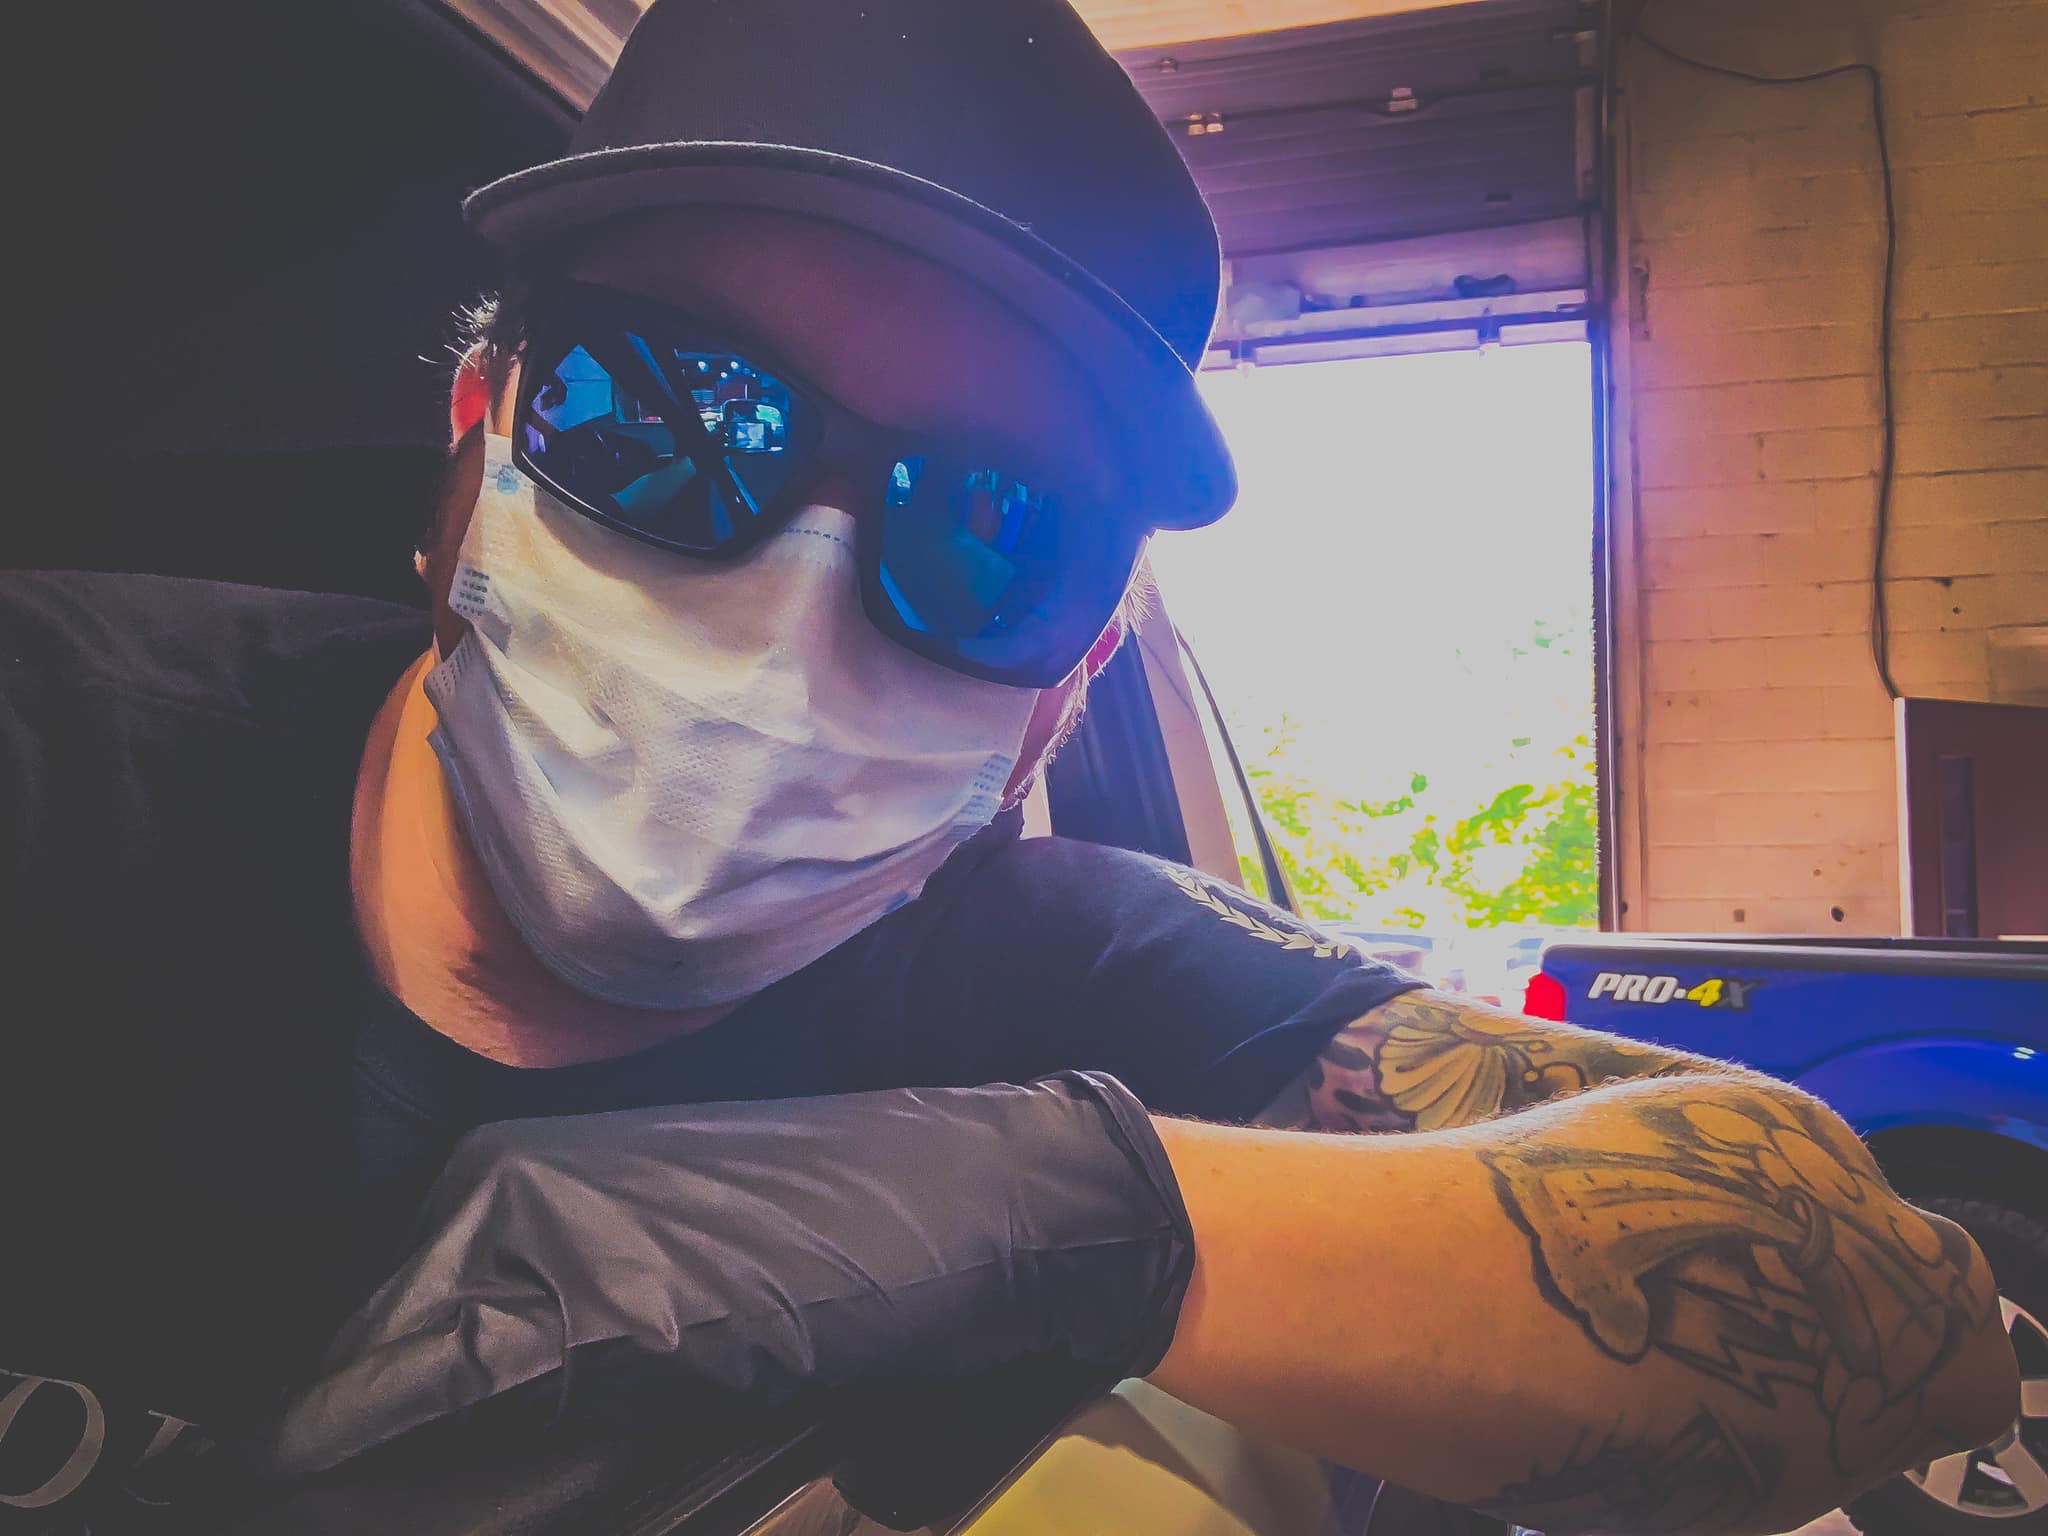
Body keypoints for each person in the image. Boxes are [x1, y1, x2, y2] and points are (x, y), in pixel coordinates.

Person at [1, 0, 2014, 1530]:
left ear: (1063, 696)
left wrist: (1036, 1209)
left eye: (994, 535)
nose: (791, 600)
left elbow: (1893, 1305)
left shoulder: (1067, 975)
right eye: (671, 417)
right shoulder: (61, 753)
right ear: (475, 445)